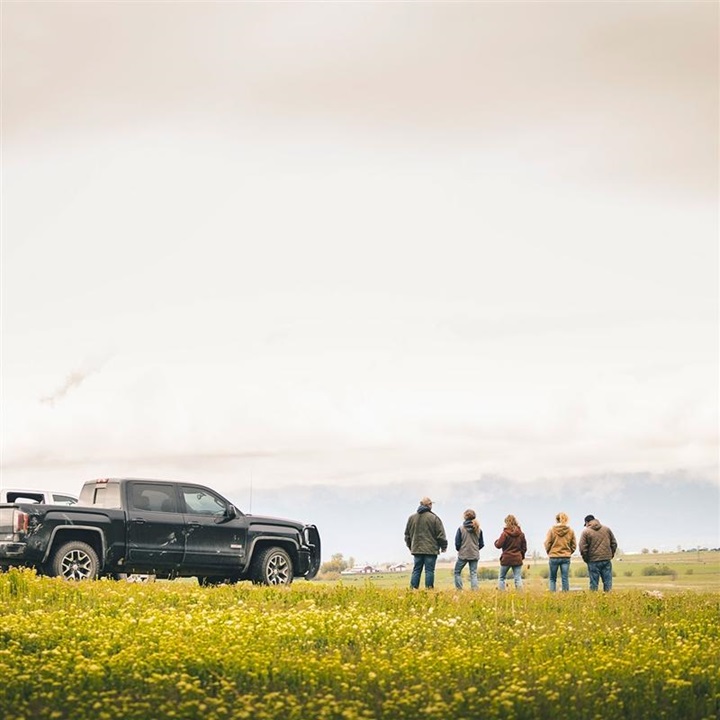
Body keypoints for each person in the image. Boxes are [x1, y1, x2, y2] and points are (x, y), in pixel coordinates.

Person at [404, 496, 448, 589]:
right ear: (429, 505)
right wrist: (443, 546)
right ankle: (429, 590)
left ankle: (413, 589)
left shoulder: (411, 518)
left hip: (416, 549)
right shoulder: (434, 518)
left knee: (416, 570)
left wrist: (411, 547)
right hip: (430, 550)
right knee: (429, 571)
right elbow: (441, 535)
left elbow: (407, 535)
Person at [579, 514, 617, 592]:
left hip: (593, 560)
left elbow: (582, 548)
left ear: (587, 522)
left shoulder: (586, 532)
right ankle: (608, 598)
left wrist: (586, 559)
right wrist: (610, 554)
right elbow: (614, 543)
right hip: (606, 559)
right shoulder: (607, 529)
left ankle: (593, 600)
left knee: (594, 583)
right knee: (607, 581)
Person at [544, 512, 577, 592]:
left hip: (554, 556)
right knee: (565, 578)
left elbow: (547, 543)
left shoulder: (552, 530)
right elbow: (574, 545)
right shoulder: (570, 531)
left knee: (552, 578)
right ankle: (565, 595)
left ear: (556, 520)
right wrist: (569, 552)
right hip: (566, 557)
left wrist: (549, 552)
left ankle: (552, 595)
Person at [494, 514, 527, 591]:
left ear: (506, 522)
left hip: (506, 558)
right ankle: (520, 595)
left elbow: (498, 545)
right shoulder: (521, 534)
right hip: (517, 558)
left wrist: (495, 542)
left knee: (501, 578)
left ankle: (502, 594)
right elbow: (524, 548)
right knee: (518, 578)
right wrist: (521, 556)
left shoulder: (505, 534)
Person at [454, 509, 484, 590]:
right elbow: (481, 544)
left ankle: (459, 590)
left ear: (465, 517)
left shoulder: (460, 529)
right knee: (473, 573)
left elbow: (457, 543)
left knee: (457, 572)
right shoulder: (479, 529)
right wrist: (476, 549)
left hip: (463, 554)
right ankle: (475, 590)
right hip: (474, 554)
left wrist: (459, 550)